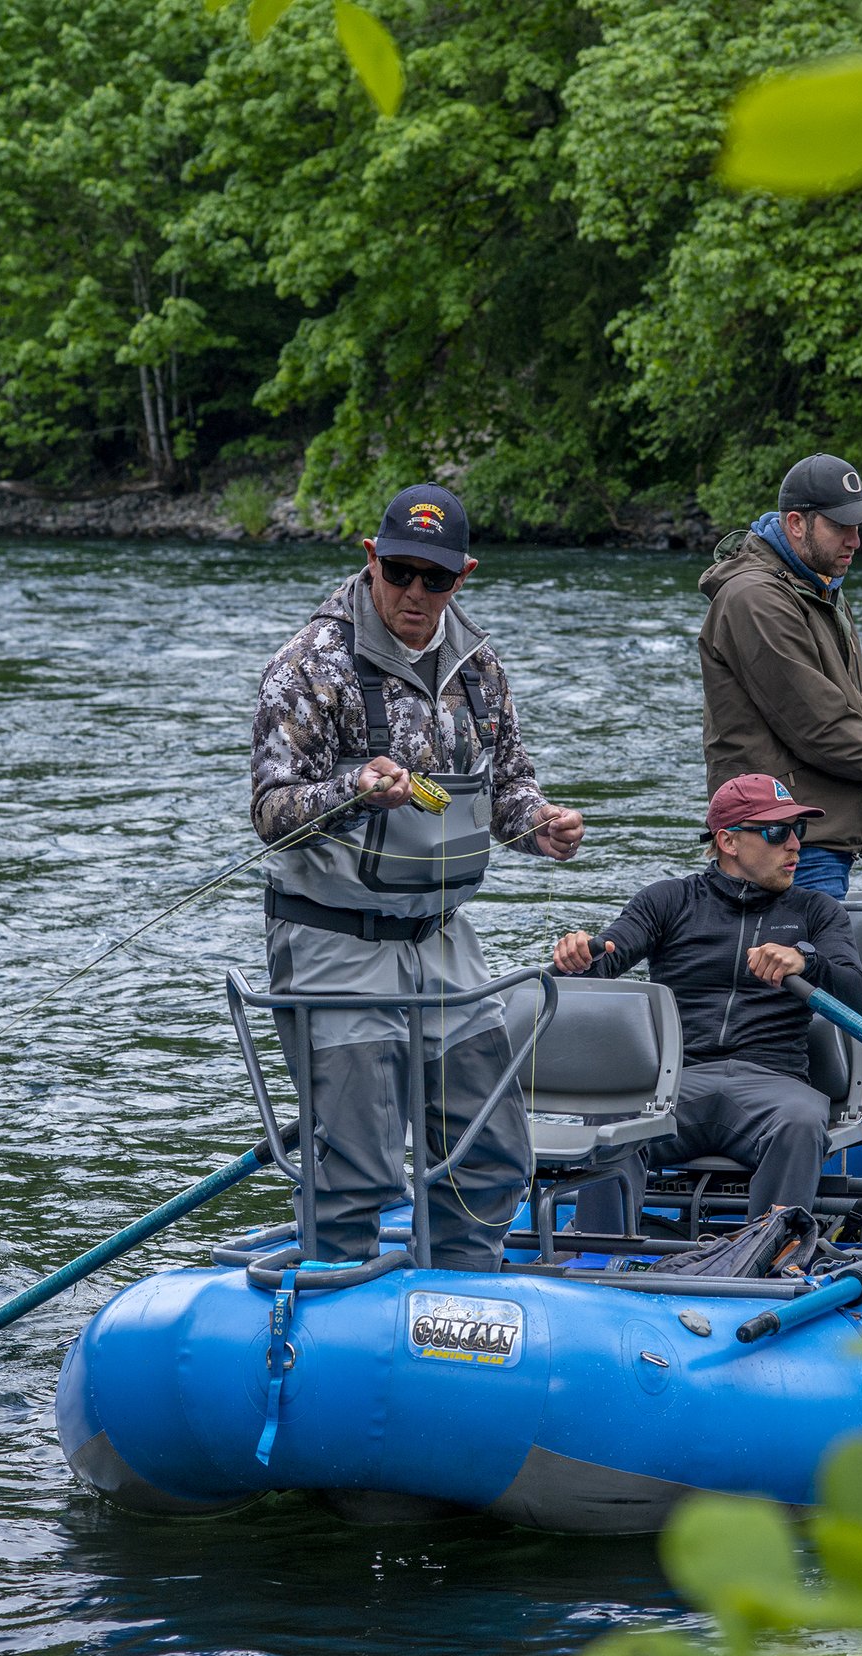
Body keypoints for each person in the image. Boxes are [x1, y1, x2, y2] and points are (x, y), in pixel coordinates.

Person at [251, 483, 585, 1271]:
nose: (414, 592)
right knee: (358, 1171)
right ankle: (337, 1305)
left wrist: (542, 824)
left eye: (435, 578)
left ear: (462, 575)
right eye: (399, 571)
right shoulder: (309, 664)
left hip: (442, 940)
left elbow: (509, 787)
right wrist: (351, 791)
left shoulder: (480, 666)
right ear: (372, 558)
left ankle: (460, 1303)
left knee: (492, 1153)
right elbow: (270, 810)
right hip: (336, 942)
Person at [549, 773, 862, 1230]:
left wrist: (808, 961)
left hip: (774, 1086)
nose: (795, 845)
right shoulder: (668, 900)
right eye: (777, 832)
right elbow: (602, 963)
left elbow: (855, 1001)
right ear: (728, 841)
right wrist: (576, 957)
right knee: (613, 1113)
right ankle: (597, 1253)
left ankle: (772, 1254)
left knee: (802, 1120)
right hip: (675, 1085)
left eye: (798, 829)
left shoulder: (817, 911)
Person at [697, 452, 862, 898]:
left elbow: (840, 715)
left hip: (815, 836)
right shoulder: (755, 598)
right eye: (841, 526)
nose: (855, 540)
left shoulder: (820, 588)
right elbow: (816, 724)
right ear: (796, 524)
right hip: (784, 841)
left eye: (859, 527)